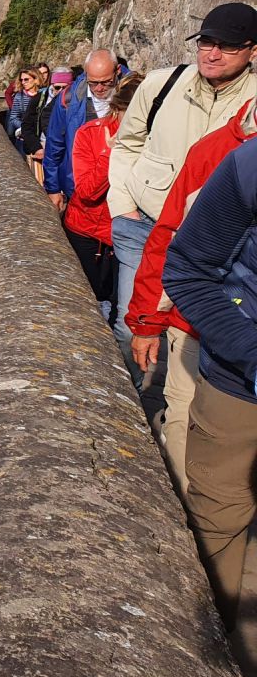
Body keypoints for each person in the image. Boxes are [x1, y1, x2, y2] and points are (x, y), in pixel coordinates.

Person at [109, 2, 257, 356]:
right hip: (145, 222)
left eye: (227, 46)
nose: (213, 54)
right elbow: (126, 143)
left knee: (190, 333)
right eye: (206, 42)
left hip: (213, 241)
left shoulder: (253, 104)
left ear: (253, 51)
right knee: (131, 328)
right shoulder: (162, 84)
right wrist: (123, 204)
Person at [127, 94, 255, 500]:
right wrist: (147, 322)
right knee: (186, 428)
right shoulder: (219, 150)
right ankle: (187, 522)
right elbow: (170, 239)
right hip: (198, 326)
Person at [161, 137, 257, 627]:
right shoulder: (248, 165)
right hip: (240, 391)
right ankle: (218, 659)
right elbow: (187, 269)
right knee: (217, 529)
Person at [64, 74, 140, 317]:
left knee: (124, 309)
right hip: (89, 232)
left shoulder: (155, 138)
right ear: (117, 109)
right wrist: (110, 153)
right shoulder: (90, 134)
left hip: (130, 235)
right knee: (92, 302)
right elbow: (86, 192)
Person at [43, 49, 120, 210]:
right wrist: (53, 188)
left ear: (117, 71)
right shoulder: (69, 98)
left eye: (106, 82)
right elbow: (54, 144)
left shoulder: (133, 93)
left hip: (119, 189)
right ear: (86, 75)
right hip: (79, 189)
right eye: (93, 83)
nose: (99, 88)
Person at [22, 66, 68, 177]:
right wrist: (37, 148)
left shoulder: (77, 101)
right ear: (52, 85)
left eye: (65, 88)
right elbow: (26, 126)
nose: (61, 92)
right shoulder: (39, 99)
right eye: (57, 88)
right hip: (41, 151)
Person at [7, 69, 40, 153]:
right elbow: (13, 118)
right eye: (21, 80)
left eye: (26, 79)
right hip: (24, 139)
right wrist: (25, 127)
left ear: (35, 79)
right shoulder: (19, 96)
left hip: (42, 139)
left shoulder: (44, 94)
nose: (23, 82)